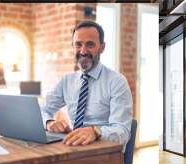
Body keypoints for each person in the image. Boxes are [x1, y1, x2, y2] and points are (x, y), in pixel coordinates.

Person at [41, 20, 133, 149]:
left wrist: (95, 131)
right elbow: (42, 109)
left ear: (102, 47)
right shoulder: (67, 80)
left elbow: (122, 131)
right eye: (78, 44)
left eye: (90, 45)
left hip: (105, 154)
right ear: (73, 46)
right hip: (74, 147)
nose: (83, 51)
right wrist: (49, 122)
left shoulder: (117, 82)